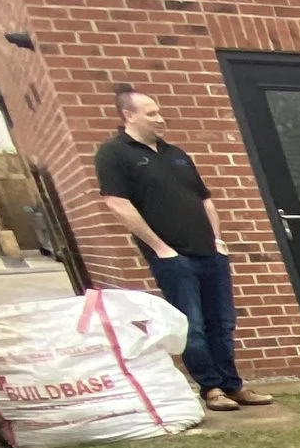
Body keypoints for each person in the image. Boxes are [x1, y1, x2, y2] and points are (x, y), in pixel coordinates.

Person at [93, 89, 273, 412]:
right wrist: (161, 248)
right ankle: (212, 388)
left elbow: (204, 199)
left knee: (222, 322)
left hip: (209, 252)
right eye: (151, 113)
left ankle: (233, 385)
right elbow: (117, 204)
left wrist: (218, 241)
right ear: (128, 115)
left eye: (159, 112)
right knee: (193, 324)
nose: (160, 119)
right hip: (174, 258)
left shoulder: (176, 154)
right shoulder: (114, 154)